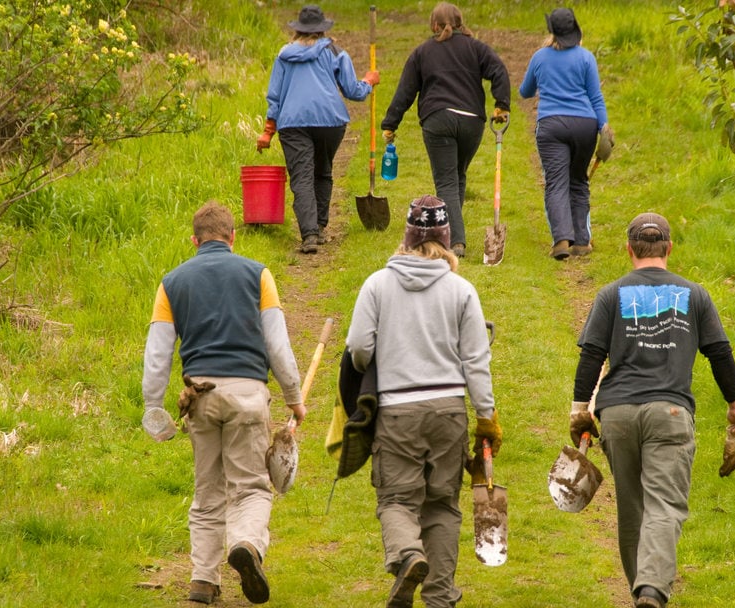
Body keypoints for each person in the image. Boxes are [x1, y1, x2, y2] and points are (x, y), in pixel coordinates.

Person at [570, 212, 735, 608]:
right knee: (664, 505)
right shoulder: (695, 294)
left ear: (629, 249)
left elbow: (592, 356)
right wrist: (734, 406)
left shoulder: (611, 294)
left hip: (616, 415)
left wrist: (578, 409)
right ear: (669, 248)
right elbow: (719, 352)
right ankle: (651, 590)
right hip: (669, 413)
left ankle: (642, 591)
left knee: (632, 509)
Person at [141, 201, 305, 605]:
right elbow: (278, 347)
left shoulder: (172, 282)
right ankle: (246, 545)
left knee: (207, 490)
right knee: (250, 487)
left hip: (200, 398)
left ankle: (202, 580)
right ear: (233, 237)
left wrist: (153, 407)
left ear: (194, 241)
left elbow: (158, 355)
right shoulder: (258, 275)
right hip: (248, 395)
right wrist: (293, 397)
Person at [345, 195, 501, 608]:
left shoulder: (377, 284)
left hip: (397, 411)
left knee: (397, 499)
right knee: (442, 506)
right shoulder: (461, 290)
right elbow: (476, 360)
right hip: (449, 411)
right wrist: (486, 417)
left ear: (408, 236)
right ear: (446, 238)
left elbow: (359, 349)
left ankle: (408, 556)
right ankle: (439, 596)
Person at [380, 2, 511, 259]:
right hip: (472, 121)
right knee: (458, 176)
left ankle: (455, 242)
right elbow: (499, 70)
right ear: (461, 23)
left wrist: (390, 123)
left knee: (447, 181)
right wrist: (501, 104)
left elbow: (406, 90)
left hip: (438, 119)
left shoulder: (423, 52)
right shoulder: (476, 48)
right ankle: (450, 231)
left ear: (433, 25)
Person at [258, 5, 380, 253]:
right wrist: (368, 82)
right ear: (323, 29)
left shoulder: (283, 56)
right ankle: (320, 226)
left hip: (292, 124)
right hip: (330, 121)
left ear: (297, 31)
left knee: (302, 178)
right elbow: (353, 91)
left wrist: (269, 130)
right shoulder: (335, 51)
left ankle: (310, 235)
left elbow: (275, 96)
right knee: (322, 172)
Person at [519, 7, 614, 260]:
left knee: (556, 183)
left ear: (552, 32)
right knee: (579, 181)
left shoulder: (540, 57)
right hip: (585, 125)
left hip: (552, 125)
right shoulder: (586, 58)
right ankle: (582, 241)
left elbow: (525, 92)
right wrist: (604, 127)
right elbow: (596, 97)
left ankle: (561, 240)